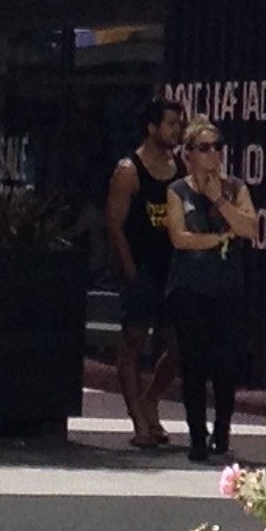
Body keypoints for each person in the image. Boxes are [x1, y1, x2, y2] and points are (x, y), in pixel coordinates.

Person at [163, 116, 258, 463]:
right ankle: (196, 435)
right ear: (188, 154)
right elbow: (180, 237)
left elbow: (249, 228)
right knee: (194, 363)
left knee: (226, 363)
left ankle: (222, 426)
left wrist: (220, 202)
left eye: (217, 147)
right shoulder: (178, 191)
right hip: (191, 288)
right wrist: (218, 238)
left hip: (227, 287)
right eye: (204, 148)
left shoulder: (235, 188)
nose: (213, 154)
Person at [105, 96, 185, 448]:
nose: (176, 130)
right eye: (170, 124)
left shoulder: (181, 168)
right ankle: (138, 417)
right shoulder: (129, 170)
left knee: (179, 346)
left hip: (174, 270)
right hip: (142, 269)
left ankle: (152, 398)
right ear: (152, 128)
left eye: (179, 124)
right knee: (133, 343)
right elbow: (115, 225)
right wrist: (130, 271)